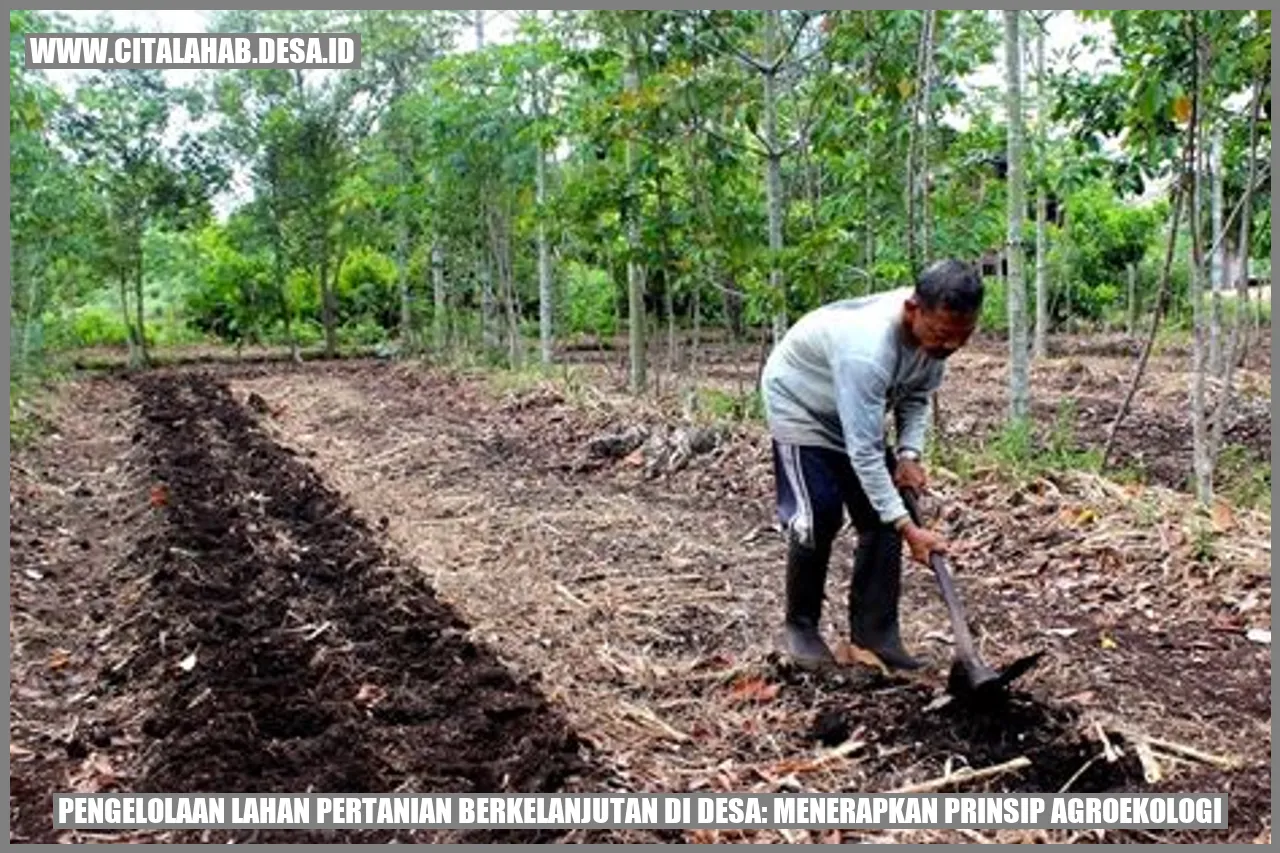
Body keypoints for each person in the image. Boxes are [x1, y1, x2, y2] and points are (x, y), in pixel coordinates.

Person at [760, 259, 984, 671]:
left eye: (962, 337)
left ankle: (876, 636)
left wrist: (909, 455)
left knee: (880, 520)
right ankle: (801, 629)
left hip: (853, 411)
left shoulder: (937, 336)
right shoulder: (868, 350)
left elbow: (916, 397)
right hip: (801, 406)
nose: (950, 347)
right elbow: (863, 452)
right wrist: (909, 528)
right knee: (818, 517)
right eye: (941, 335)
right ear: (913, 310)